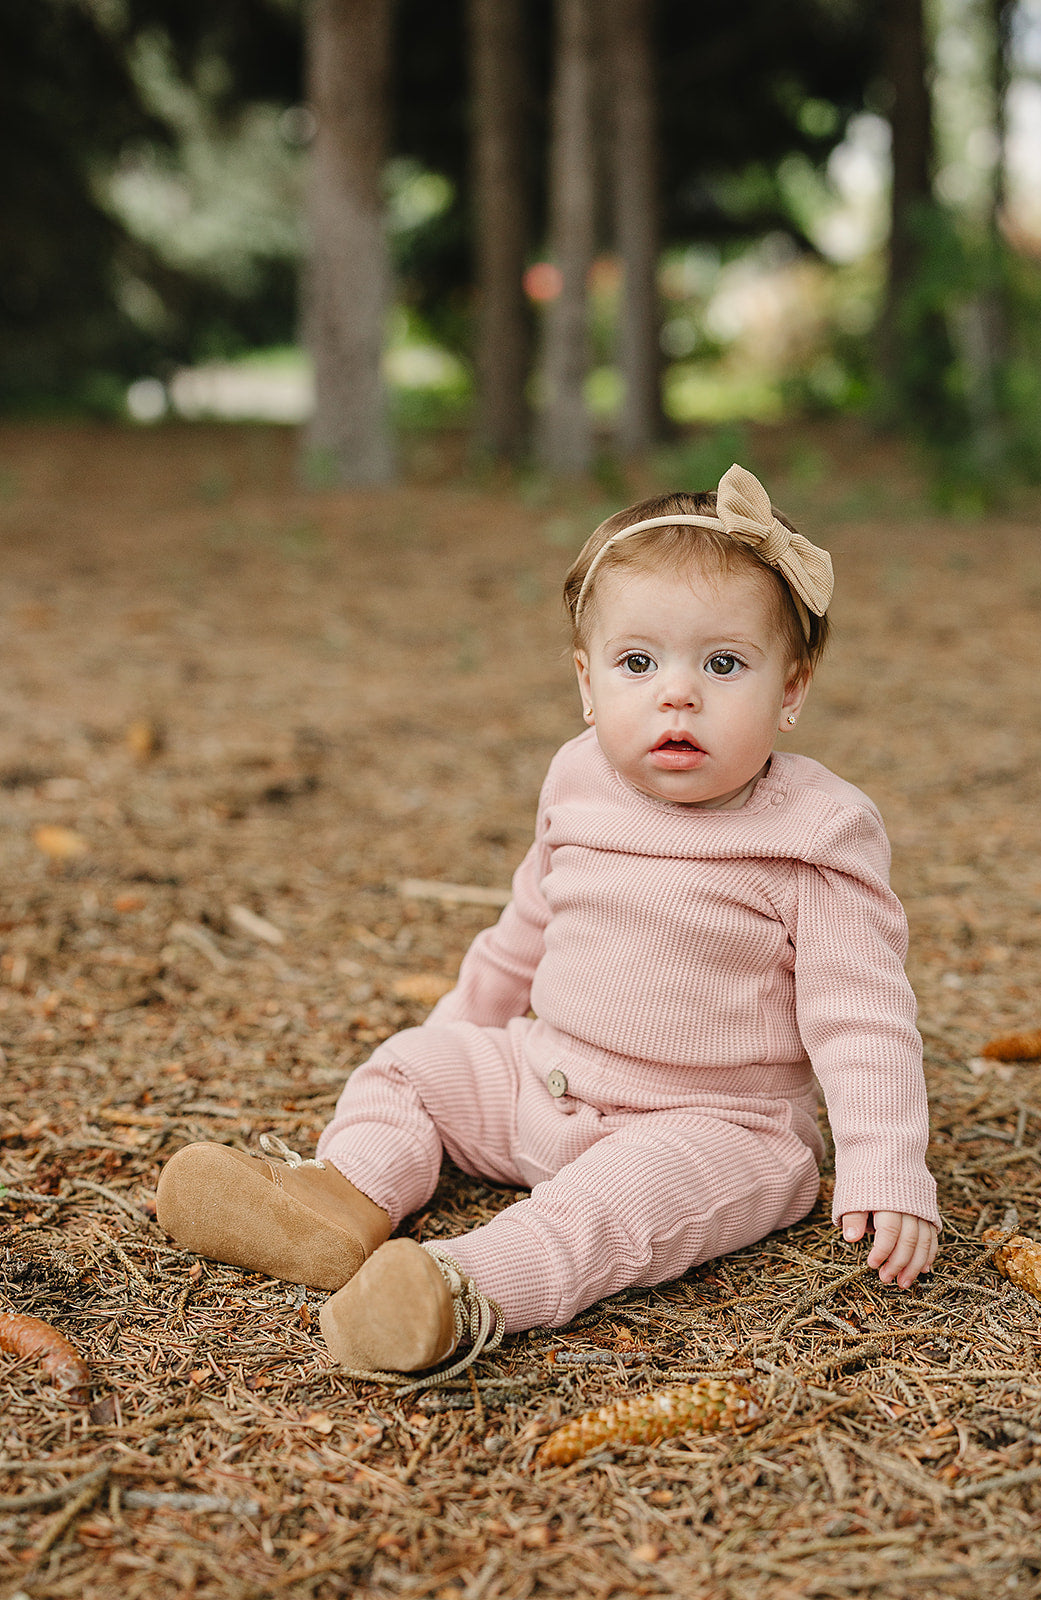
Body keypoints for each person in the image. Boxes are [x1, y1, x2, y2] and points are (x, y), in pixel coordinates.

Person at [156, 464, 940, 1384]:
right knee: (410, 1064)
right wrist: (455, 1042)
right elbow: (526, 926)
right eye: (637, 663)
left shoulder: (815, 833)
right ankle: (340, 1201)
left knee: (613, 1207)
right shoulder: (578, 779)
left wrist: (888, 1166)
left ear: (792, 689)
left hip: (718, 1127)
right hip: (545, 1077)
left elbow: (863, 1018)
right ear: (586, 681)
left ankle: (460, 1290)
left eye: (722, 664)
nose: (675, 695)